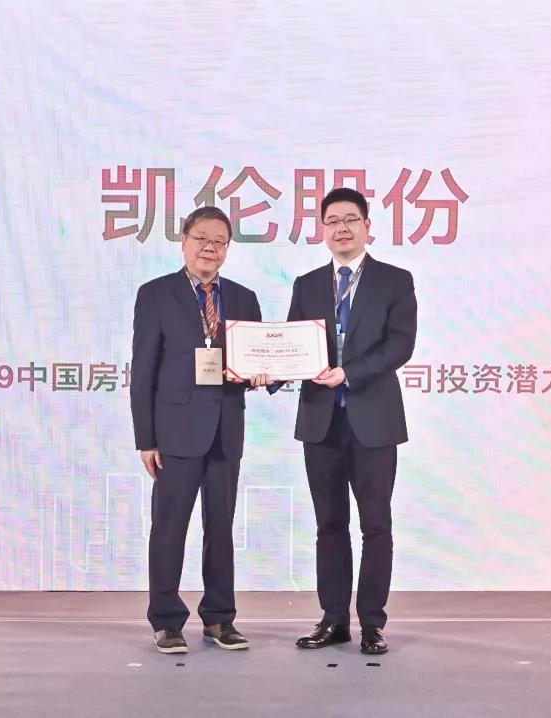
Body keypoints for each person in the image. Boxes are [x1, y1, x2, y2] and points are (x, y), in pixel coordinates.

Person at [283, 187, 417, 655]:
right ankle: (334, 619)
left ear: (366, 227)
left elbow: (400, 344)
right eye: (332, 221)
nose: (341, 228)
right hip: (321, 422)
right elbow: (292, 345)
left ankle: (373, 624)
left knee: (376, 525)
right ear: (322, 229)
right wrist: (266, 372)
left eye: (350, 220)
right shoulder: (306, 284)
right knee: (329, 525)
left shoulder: (394, 281)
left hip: (374, 421)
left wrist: (350, 372)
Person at [130, 206, 269, 654]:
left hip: (226, 430)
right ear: (184, 242)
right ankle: (166, 620)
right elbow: (143, 371)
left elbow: (256, 359)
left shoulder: (244, 298)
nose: (210, 248)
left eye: (219, 241)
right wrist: (146, 439)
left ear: (228, 248)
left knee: (221, 529)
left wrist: (264, 375)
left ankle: (219, 618)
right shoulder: (156, 294)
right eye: (202, 239)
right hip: (174, 432)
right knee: (169, 527)